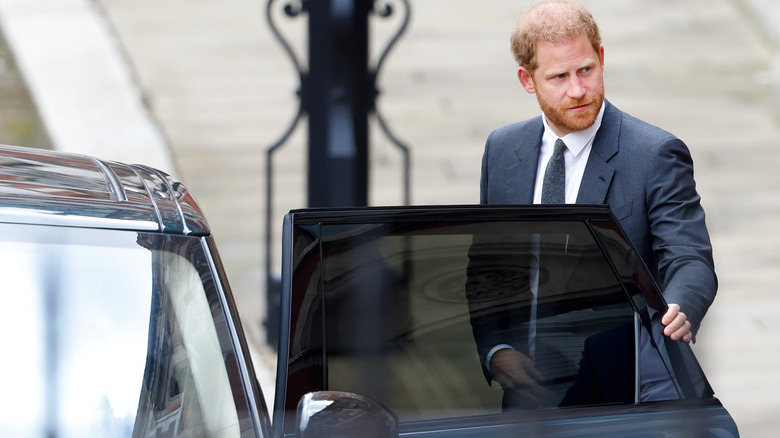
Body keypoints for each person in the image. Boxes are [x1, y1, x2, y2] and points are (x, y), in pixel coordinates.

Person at [474, 0, 717, 406]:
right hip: (526, 392)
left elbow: (689, 257)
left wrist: (679, 306)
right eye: (559, 76)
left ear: (601, 58)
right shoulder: (502, 150)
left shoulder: (654, 153)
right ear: (527, 79)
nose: (578, 89)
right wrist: (497, 350)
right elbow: (486, 268)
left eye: (586, 69)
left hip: (616, 391)